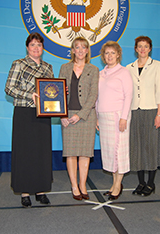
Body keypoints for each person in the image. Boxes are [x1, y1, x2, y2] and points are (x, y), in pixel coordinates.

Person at [5, 33, 54, 207]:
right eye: (33, 45)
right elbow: (9, 88)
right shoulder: (19, 64)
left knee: (41, 152)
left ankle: (40, 190)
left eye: (39, 45)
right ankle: (25, 192)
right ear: (27, 47)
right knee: (25, 153)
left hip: (42, 114)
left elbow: (50, 91)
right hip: (24, 113)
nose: (36, 48)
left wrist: (60, 94)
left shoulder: (48, 67)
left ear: (43, 48)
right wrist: (29, 95)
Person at [59, 37, 99, 200]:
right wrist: (62, 114)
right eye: (77, 47)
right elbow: (58, 92)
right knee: (70, 153)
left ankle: (83, 185)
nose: (81, 50)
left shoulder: (93, 69)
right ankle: (74, 186)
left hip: (87, 117)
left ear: (87, 50)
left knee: (84, 153)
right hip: (67, 116)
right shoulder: (64, 67)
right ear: (73, 50)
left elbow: (93, 95)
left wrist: (80, 115)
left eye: (84, 47)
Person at [126, 36, 160, 196]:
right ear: (135, 49)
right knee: (137, 147)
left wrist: (159, 114)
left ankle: (151, 183)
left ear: (150, 49)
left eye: (145, 46)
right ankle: (141, 182)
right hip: (134, 111)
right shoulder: (129, 67)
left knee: (150, 147)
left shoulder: (157, 65)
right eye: (139, 46)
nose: (142, 49)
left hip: (151, 111)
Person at [96, 41, 133, 200]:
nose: (109, 56)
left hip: (118, 116)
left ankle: (118, 184)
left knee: (119, 152)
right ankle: (113, 182)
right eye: (106, 53)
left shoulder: (124, 72)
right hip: (103, 118)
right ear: (103, 56)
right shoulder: (101, 73)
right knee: (110, 152)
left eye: (112, 53)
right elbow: (97, 97)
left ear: (118, 54)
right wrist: (97, 116)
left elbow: (128, 96)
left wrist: (124, 117)